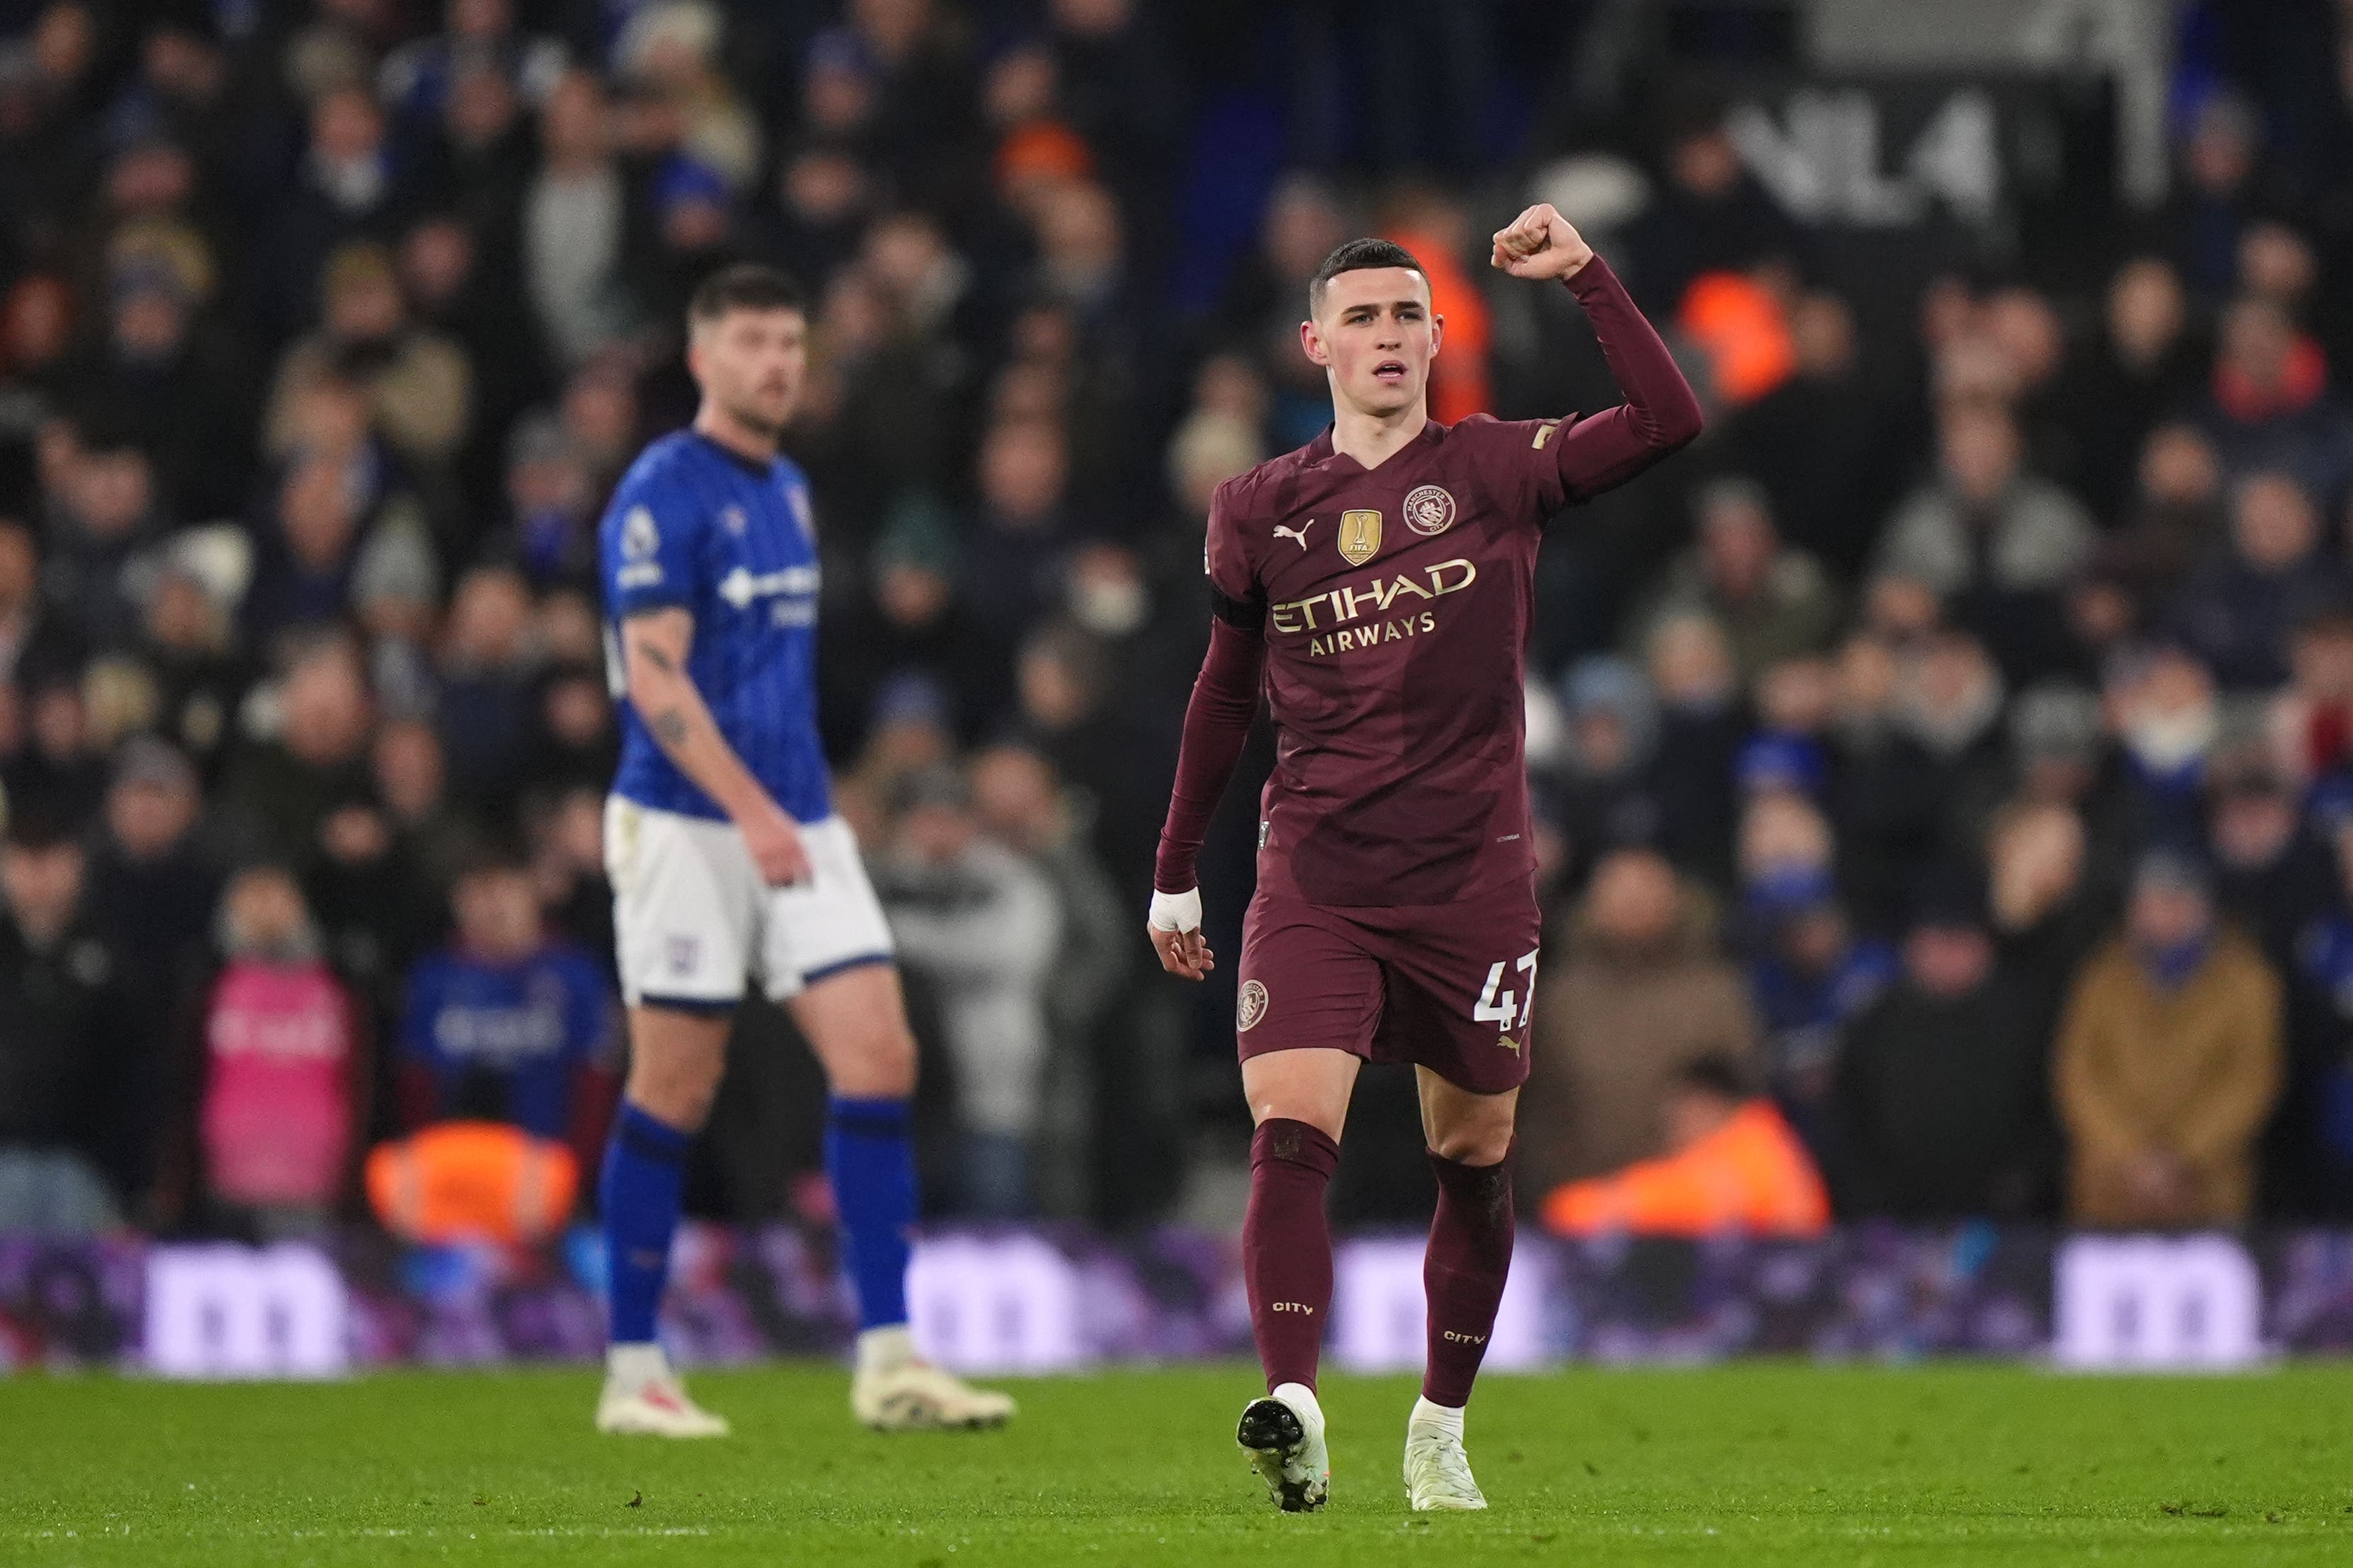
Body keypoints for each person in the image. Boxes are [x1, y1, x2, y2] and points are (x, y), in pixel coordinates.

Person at [1145, 209, 1700, 1511]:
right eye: (1364, 318)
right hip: (1318, 875)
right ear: (1316, 346)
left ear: (1441, 338)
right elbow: (1223, 698)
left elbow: (1670, 420)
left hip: (1471, 878)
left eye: (1408, 316)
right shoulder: (1260, 508)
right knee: (1289, 1130)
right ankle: (1293, 1397)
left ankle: (1440, 1424)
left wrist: (1590, 279)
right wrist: (1177, 866)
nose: (1388, 336)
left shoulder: (1500, 466)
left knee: (1475, 1155)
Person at [595, 264, 1011, 1438]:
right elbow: (654, 679)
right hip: (684, 817)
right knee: (676, 1080)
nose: (778, 362)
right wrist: (754, 811)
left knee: (879, 1052)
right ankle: (634, 1369)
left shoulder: (788, 486)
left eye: (790, 341)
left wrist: (806, 807)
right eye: (754, 342)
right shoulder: (661, 494)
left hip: (797, 816)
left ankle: (889, 1358)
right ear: (703, 358)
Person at [2053, 851, 2284, 1227]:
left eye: (2178, 900)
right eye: (2152, 901)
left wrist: (2182, 1156)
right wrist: (2133, 1156)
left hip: (2209, 1192)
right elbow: (2077, 1075)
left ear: (2205, 907)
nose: (2165, 914)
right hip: (2108, 1194)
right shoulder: (2100, 978)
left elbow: (2252, 1079)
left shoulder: (2248, 980)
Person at [1538, 1056, 1827, 1239]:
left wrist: (1577, 1205)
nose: (1671, 1126)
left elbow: (1678, 1198)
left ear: (1713, 1104)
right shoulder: (1761, 1142)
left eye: (1681, 1113)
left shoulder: (1756, 1150)